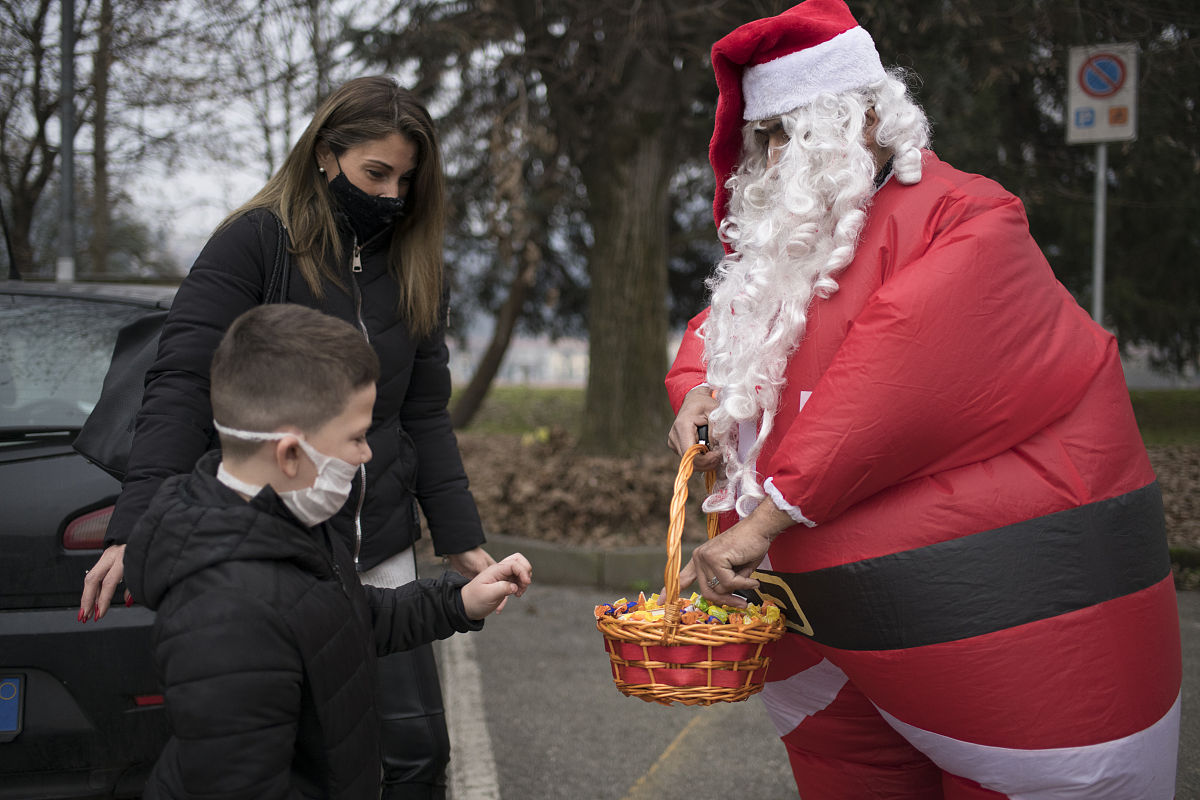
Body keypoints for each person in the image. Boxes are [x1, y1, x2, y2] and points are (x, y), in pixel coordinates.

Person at [666, 1, 1182, 797]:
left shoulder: (967, 215)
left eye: (785, 136)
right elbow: (725, 323)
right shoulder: (798, 242)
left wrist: (763, 522)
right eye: (760, 141)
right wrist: (700, 389)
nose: (768, 161)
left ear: (865, 118)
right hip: (819, 630)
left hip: (997, 618)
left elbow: (897, 381)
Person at [80, 75, 492, 798]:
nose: (393, 195)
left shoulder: (419, 263)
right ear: (325, 155)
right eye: (376, 173)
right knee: (302, 746)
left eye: (407, 179)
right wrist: (132, 526)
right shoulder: (255, 242)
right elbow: (180, 382)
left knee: (415, 749)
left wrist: (457, 533)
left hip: (381, 538)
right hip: (281, 540)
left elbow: (423, 410)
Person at [123, 303, 533, 799]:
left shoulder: (288, 522)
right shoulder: (226, 619)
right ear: (291, 454)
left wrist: (459, 601)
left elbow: (344, 618)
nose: (367, 454)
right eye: (357, 437)